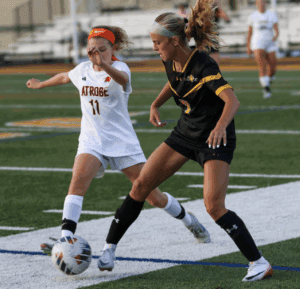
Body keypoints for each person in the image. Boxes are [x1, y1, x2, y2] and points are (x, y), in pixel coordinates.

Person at [97, 0, 273, 282]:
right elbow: (175, 80)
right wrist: (156, 103)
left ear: (175, 41)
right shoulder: (169, 57)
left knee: (214, 206)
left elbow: (232, 100)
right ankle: (109, 248)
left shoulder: (203, 63)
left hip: (214, 139)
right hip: (185, 133)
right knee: (141, 184)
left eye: (158, 43)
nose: (155, 48)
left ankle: (259, 262)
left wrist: (220, 127)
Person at [26, 25, 211, 255]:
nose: (96, 53)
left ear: (112, 48)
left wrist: (104, 65)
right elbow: (66, 76)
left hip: (122, 144)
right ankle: (65, 238)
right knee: (77, 183)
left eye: (102, 49)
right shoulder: (83, 68)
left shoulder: (120, 68)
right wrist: (41, 84)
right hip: (92, 140)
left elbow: (123, 80)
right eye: (92, 49)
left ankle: (189, 220)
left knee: (154, 197)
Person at [247, 0, 279, 99]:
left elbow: (277, 30)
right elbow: (249, 33)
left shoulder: (272, 15)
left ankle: (267, 82)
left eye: (262, 2)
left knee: (273, 68)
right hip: (257, 43)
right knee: (262, 66)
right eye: (259, 3)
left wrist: (276, 36)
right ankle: (266, 89)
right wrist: (248, 46)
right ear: (256, 4)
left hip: (270, 43)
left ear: (265, 3)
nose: (261, 4)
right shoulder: (252, 16)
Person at [209, 0, 231, 64]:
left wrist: (218, 6)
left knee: (215, 60)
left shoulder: (216, 11)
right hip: (204, 37)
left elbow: (227, 19)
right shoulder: (203, 11)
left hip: (213, 37)